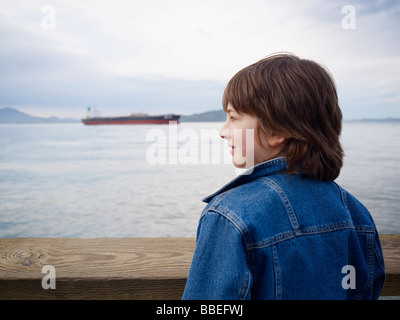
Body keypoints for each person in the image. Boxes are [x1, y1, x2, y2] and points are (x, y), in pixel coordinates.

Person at [182, 53, 385, 300]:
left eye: (234, 118)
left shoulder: (229, 216)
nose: (222, 131)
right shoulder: (358, 214)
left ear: (276, 131)